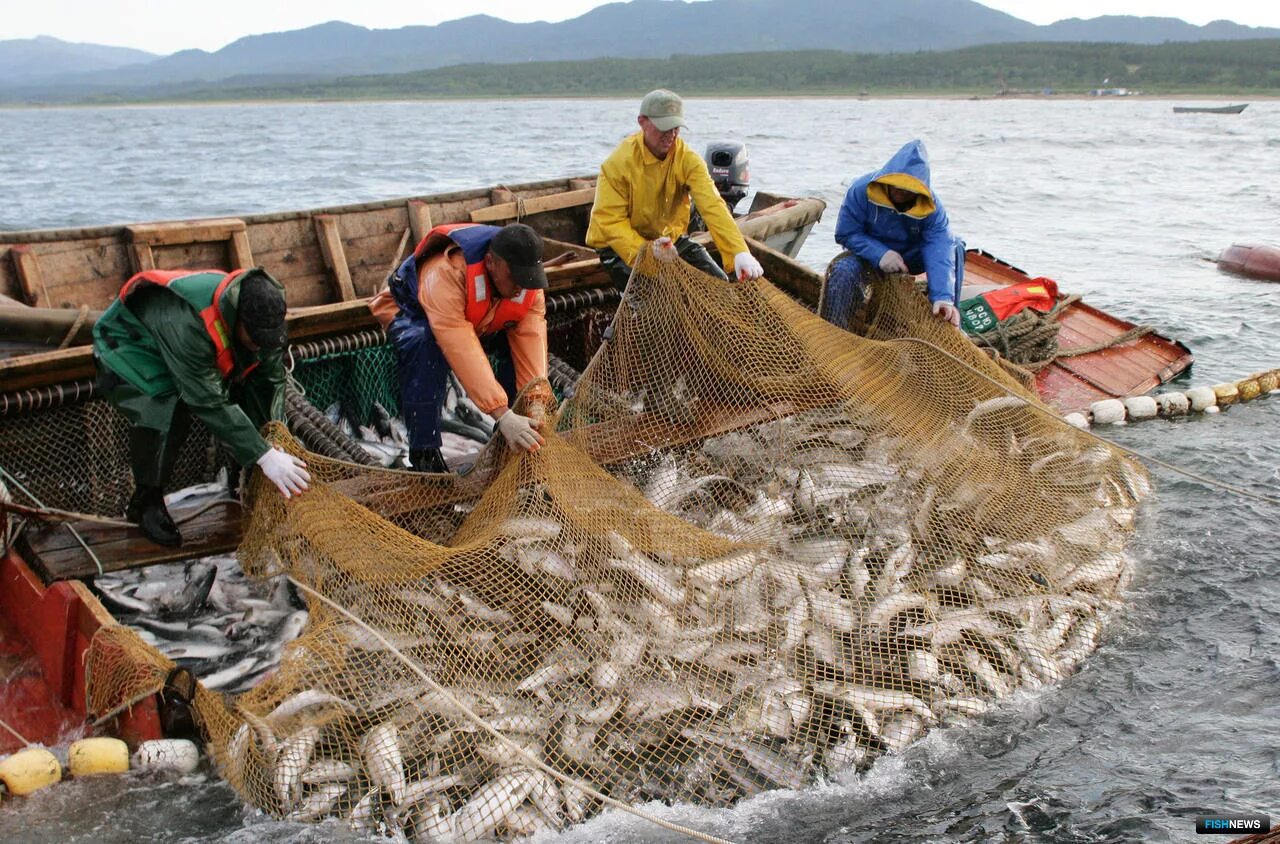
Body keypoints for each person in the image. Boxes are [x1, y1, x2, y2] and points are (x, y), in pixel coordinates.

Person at [92, 267, 310, 547]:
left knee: (249, 388)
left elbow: (270, 379)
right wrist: (263, 455)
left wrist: (274, 441)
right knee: (167, 410)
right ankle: (145, 503)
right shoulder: (192, 324)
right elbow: (206, 400)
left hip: (186, 351)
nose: (260, 345)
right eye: (255, 338)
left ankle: (241, 481)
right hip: (130, 346)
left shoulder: (265, 314)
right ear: (238, 320)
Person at [368, 222, 549, 472]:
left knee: (517, 359)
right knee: (423, 344)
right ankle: (424, 452)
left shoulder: (527, 286)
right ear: (490, 263)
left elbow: (530, 337)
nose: (521, 285)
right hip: (414, 313)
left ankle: (510, 438)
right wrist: (501, 413)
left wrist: (535, 401)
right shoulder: (445, 272)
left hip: (481, 318)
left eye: (527, 278)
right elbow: (457, 342)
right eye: (515, 277)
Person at [586, 88, 764, 291]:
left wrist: (738, 252)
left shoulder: (688, 159)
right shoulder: (617, 164)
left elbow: (712, 206)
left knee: (719, 288)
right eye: (664, 127)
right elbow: (610, 221)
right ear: (642, 121)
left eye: (675, 128)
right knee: (655, 301)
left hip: (668, 241)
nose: (670, 135)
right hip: (619, 246)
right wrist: (647, 254)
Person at [823, 139, 965, 330]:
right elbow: (846, 233)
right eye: (897, 185)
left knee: (956, 246)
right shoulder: (860, 190)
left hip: (909, 260)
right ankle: (835, 332)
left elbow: (939, 247)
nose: (902, 192)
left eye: (909, 190)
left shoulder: (933, 207)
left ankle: (949, 318)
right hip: (868, 257)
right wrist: (879, 254)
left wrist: (943, 296)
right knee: (842, 271)